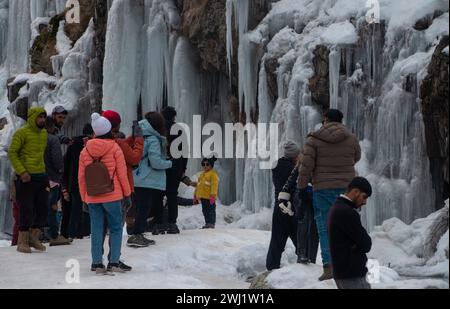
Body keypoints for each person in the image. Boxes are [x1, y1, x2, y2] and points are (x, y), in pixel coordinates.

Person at [298, 109, 361, 281]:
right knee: (347, 226)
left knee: (325, 229)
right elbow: (356, 157)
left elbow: (306, 166)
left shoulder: (314, 139)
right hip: (347, 189)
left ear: (325, 119)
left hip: (322, 189)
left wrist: (302, 187)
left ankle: (329, 268)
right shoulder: (351, 138)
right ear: (341, 121)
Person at [78, 113, 131, 274]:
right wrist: (127, 194)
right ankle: (113, 262)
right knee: (115, 228)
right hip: (113, 195)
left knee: (96, 229)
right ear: (109, 130)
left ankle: (96, 263)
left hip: (93, 196)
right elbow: (122, 175)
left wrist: (84, 198)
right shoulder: (115, 148)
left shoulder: (85, 151)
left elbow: (81, 178)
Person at [127, 112, 172, 247]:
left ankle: (136, 233)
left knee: (140, 207)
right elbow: (155, 162)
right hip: (147, 179)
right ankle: (137, 234)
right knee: (144, 207)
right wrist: (169, 163)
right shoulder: (152, 139)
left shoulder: (140, 136)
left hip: (138, 178)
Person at [8, 107, 49, 254]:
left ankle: (33, 238)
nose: (43, 120)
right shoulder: (21, 133)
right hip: (26, 177)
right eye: (40, 117)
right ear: (32, 118)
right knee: (26, 209)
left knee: (43, 208)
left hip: (41, 176)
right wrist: (22, 171)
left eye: (44, 117)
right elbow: (12, 153)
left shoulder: (44, 133)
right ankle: (22, 241)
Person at [102, 110, 144, 235]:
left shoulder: (96, 142)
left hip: (102, 187)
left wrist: (132, 137)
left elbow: (122, 145)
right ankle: (115, 254)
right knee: (117, 226)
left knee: (102, 226)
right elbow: (134, 158)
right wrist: (139, 139)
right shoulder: (118, 143)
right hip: (120, 188)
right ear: (116, 125)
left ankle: (99, 253)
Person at [328, 177, 373, 289]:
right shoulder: (347, 212)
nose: (365, 202)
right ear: (356, 191)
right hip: (352, 276)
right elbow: (366, 244)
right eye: (364, 197)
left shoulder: (336, 207)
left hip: (343, 273)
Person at [277, 154, 319, 264]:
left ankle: (311, 257)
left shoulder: (324, 156)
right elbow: (294, 175)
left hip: (317, 193)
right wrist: (285, 192)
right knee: (303, 222)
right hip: (303, 193)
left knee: (315, 226)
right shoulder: (306, 155)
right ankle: (302, 254)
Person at [266, 141, 300, 271]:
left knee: (276, 241)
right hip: (290, 208)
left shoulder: (278, 165)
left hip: (279, 207)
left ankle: (271, 267)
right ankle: (304, 265)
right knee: (300, 241)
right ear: (294, 155)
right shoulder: (292, 169)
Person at [61, 124, 94, 240]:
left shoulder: (73, 144)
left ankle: (72, 233)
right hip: (89, 182)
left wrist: (65, 186)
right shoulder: (93, 144)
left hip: (73, 182)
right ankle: (84, 233)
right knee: (88, 208)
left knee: (75, 209)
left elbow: (66, 164)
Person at [44, 116, 71, 246]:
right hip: (52, 179)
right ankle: (54, 235)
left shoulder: (38, 138)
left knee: (41, 206)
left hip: (40, 177)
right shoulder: (52, 139)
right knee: (53, 206)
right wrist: (61, 171)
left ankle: (40, 233)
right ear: (51, 126)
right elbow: (57, 159)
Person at [162, 106, 189, 234]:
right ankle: (172, 223)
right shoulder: (179, 129)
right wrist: (183, 169)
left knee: (158, 195)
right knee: (172, 195)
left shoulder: (158, 128)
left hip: (160, 167)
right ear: (173, 116)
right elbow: (184, 151)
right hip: (176, 167)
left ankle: (158, 222)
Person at [194, 156, 220, 229]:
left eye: (207, 164)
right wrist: (195, 195)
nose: (205, 166)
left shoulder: (213, 174)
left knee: (211, 210)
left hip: (210, 197)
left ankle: (211, 223)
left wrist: (213, 195)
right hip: (203, 197)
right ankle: (207, 223)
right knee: (204, 211)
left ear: (211, 165)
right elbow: (198, 186)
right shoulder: (201, 175)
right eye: (203, 164)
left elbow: (214, 185)